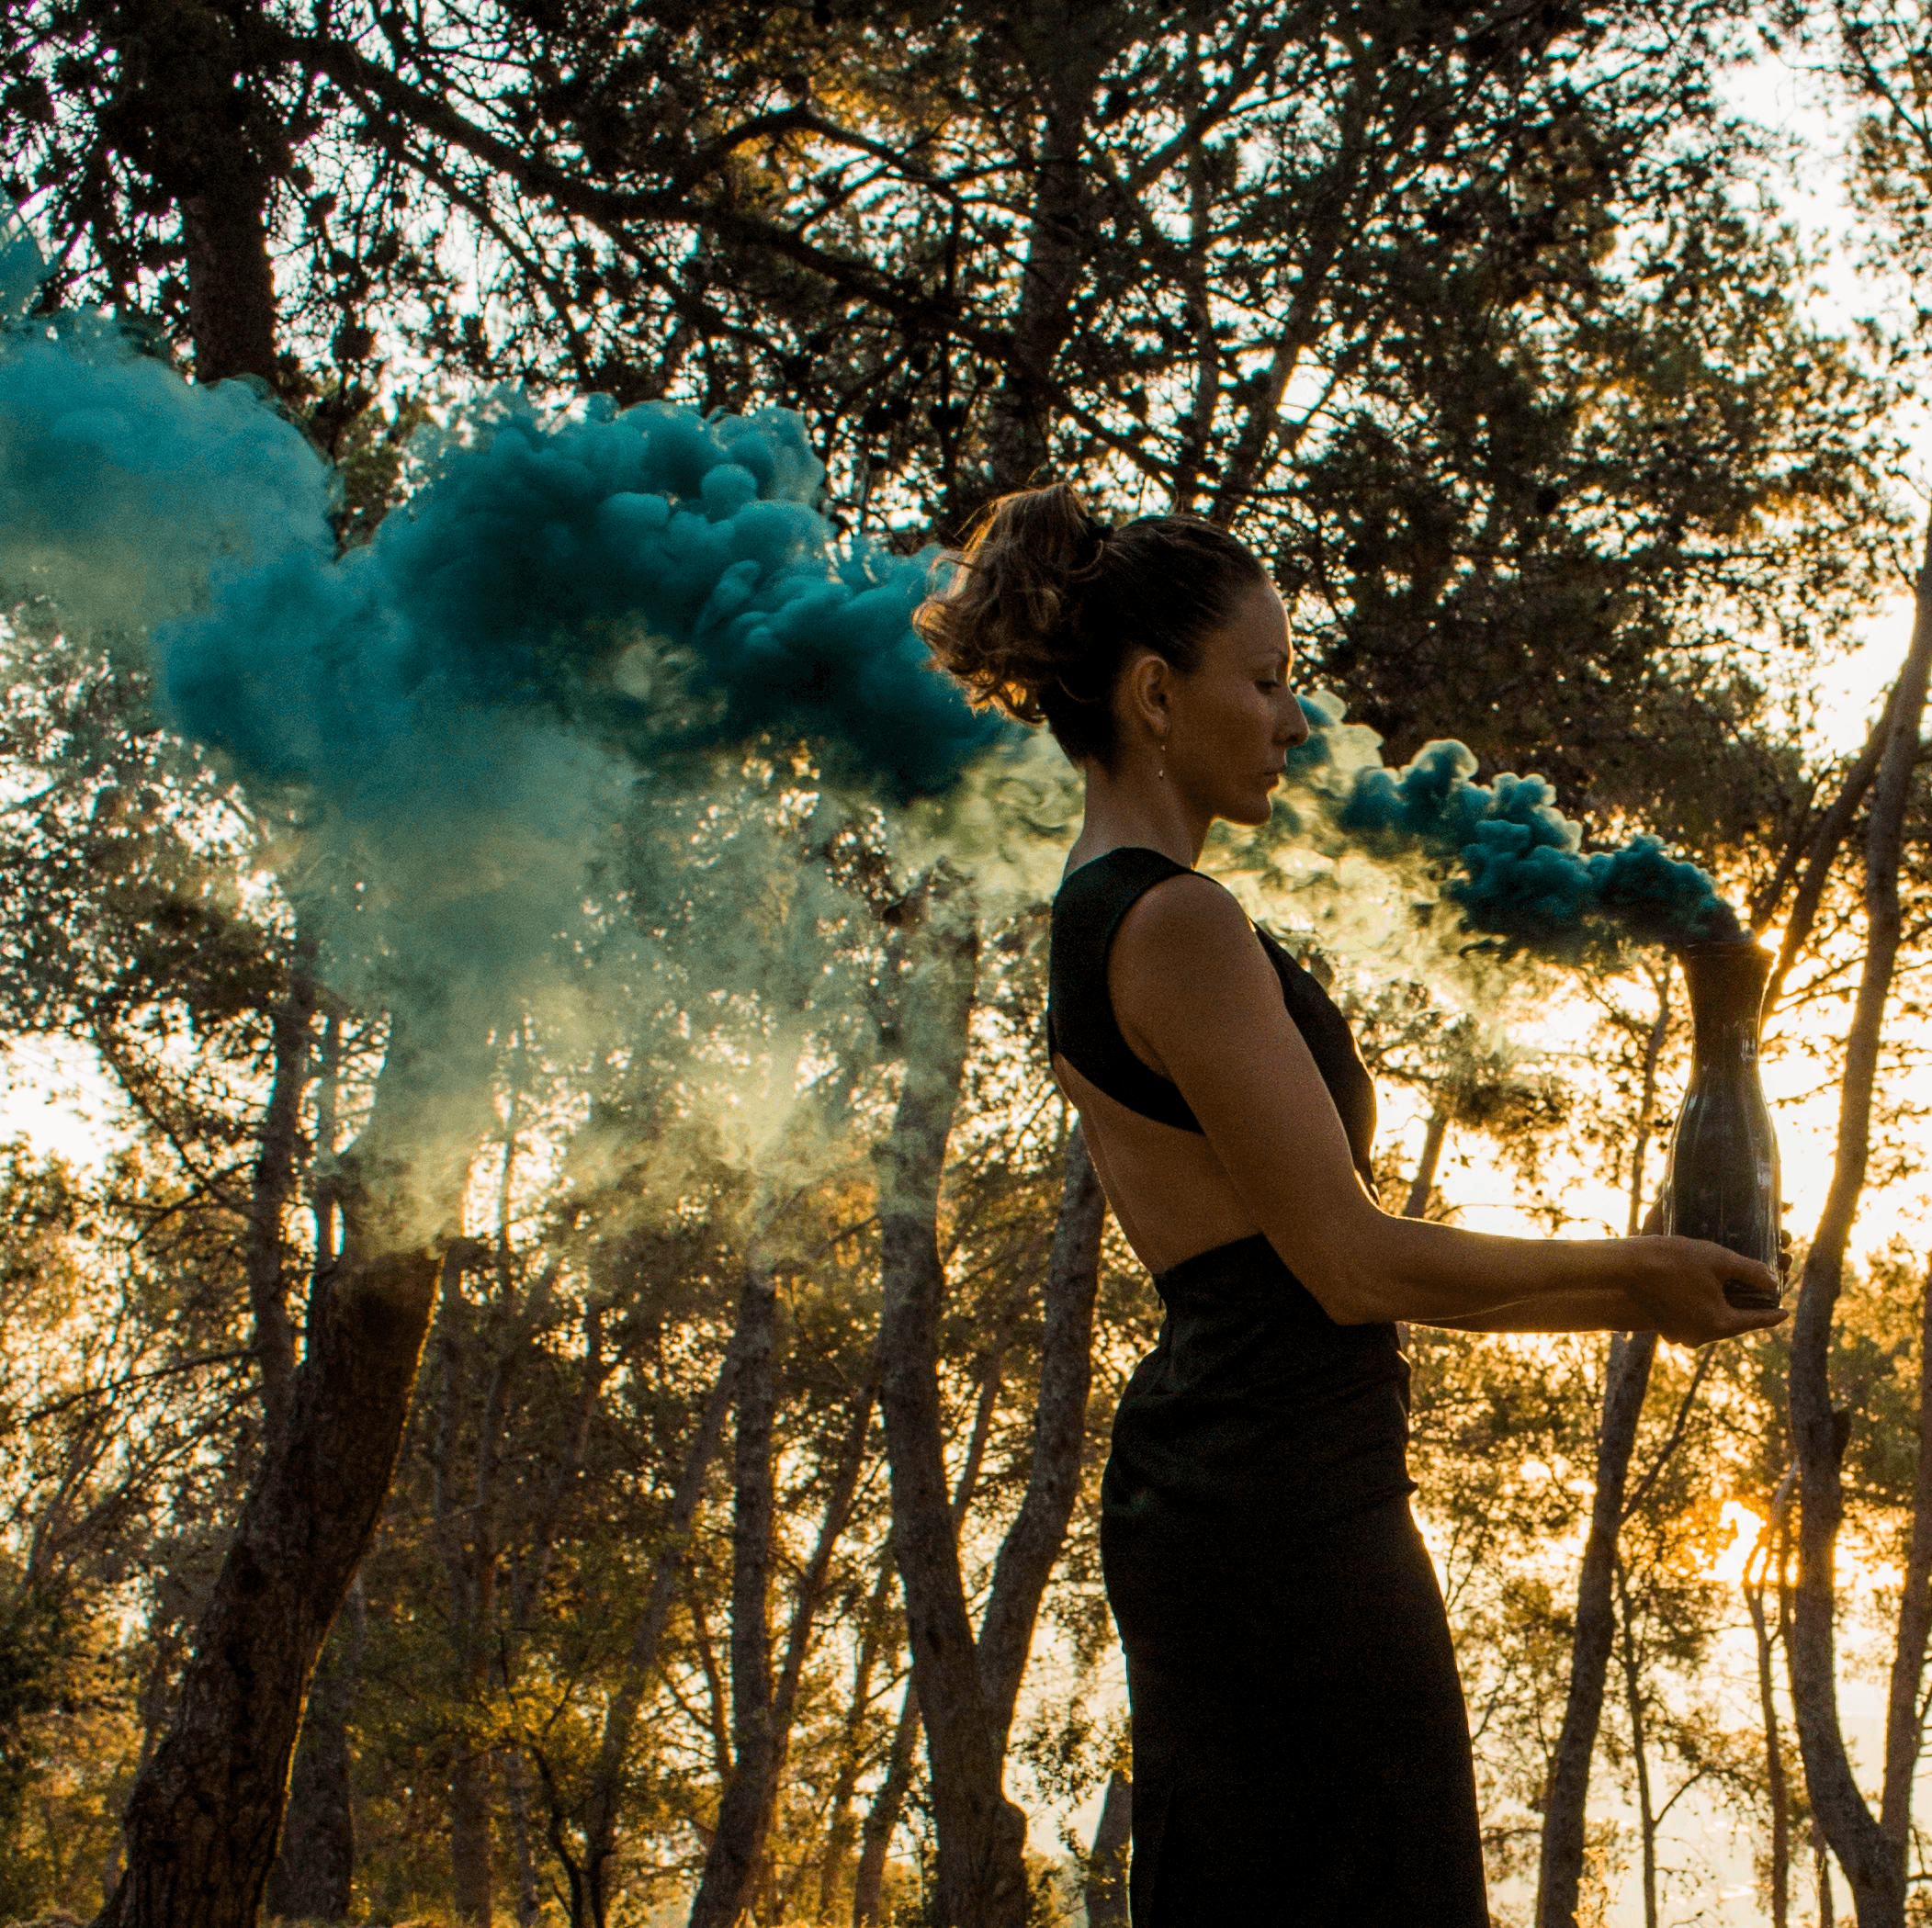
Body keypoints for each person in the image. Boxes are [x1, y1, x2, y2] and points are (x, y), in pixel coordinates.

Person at [913, 483, 1786, 1926]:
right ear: (1153, 695)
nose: (1293, 722)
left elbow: (1298, 1258)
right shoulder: (1174, 919)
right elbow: (1348, 1262)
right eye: (1263, 681)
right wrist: (1635, 1273)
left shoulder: (1098, 908)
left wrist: (1644, 1292)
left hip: (1242, 1472)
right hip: (1277, 1502)